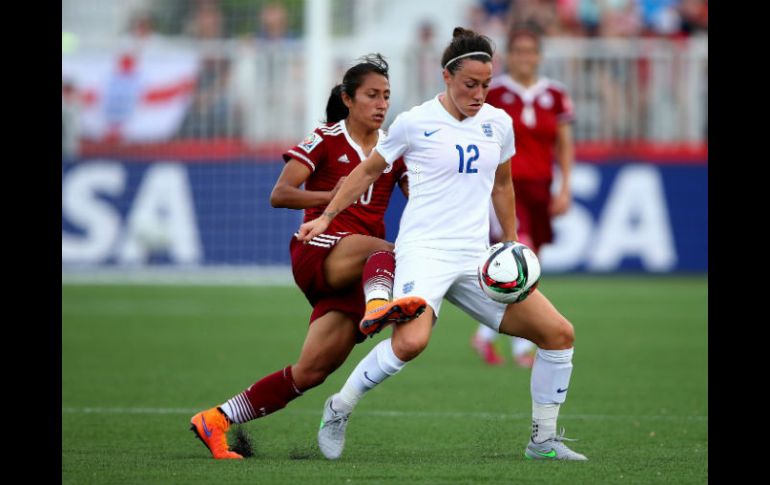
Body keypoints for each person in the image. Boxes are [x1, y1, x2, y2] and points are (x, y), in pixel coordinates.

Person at [298, 27, 586, 461]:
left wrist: (508, 243)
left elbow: (502, 186)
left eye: (487, 84)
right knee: (411, 343)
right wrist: (326, 216)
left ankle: (542, 441)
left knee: (559, 334)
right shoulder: (414, 122)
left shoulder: (498, 123)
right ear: (446, 76)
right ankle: (339, 408)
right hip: (424, 252)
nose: (479, 93)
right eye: (471, 84)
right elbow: (367, 172)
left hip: (476, 257)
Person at [189, 54, 426, 459]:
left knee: (310, 372)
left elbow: (422, 199)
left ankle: (216, 419)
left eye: (386, 95)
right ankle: (378, 307)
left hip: (363, 270)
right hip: (320, 247)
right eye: (372, 95)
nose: (382, 103)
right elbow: (280, 193)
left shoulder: (392, 148)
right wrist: (331, 197)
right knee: (389, 251)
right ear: (348, 99)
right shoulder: (326, 139)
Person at [471, 28, 576, 368]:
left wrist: (564, 187)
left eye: (531, 51)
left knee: (529, 267)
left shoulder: (555, 95)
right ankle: (520, 349)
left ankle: (484, 335)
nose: (525, 57)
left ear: (539, 55)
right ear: (510, 56)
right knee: (520, 255)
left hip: (541, 187)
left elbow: (563, 144)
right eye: (518, 51)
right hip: (505, 187)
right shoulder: (495, 92)